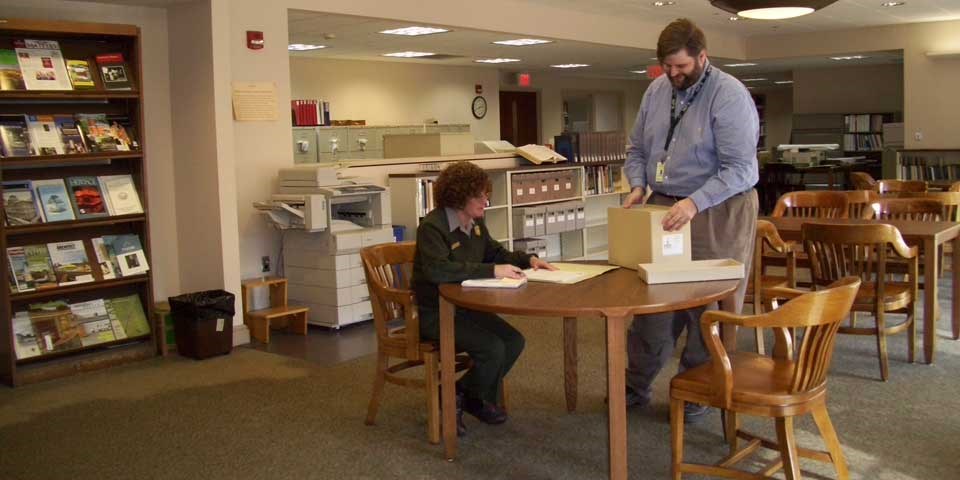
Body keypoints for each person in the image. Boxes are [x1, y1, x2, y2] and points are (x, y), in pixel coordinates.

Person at [621, 18, 759, 422]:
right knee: (653, 306)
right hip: (665, 205)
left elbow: (741, 170)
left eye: (681, 66)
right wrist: (636, 184)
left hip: (719, 209)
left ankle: (696, 390)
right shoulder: (656, 90)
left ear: (703, 56)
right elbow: (636, 149)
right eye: (667, 66)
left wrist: (696, 203)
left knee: (708, 308)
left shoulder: (728, 95)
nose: (673, 74)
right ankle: (634, 386)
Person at [412, 161, 556, 435]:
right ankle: (468, 397)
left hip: (468, 308)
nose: (485, 201)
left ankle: (462, 394)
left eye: (485, 194)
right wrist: (492, 270)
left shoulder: (476, 223)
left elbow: (494, 253)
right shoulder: (432, 227)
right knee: (492, 348)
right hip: (438, 314)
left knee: (514, 341)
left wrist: (529, 259)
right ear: (458, 196)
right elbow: (438, 270)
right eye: (478, 196)